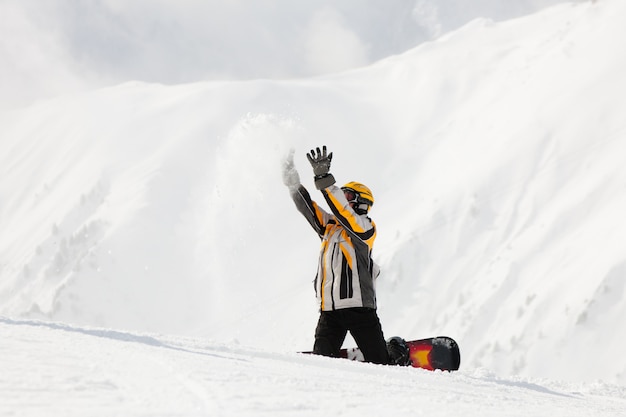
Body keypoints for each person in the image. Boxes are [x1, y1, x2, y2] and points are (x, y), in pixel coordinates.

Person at [282, 146, 409, 365]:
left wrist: (325, 180)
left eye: (348, 195)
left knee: (380, 363)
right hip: (329, 311)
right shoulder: (329, 227)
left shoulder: (365, 229)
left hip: (359, 308)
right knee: (322, 363)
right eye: (343, 194)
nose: (343, 198)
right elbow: (306, 207)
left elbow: (343, 211)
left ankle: (396, 352)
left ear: (361, 203)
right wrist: (291, 179)